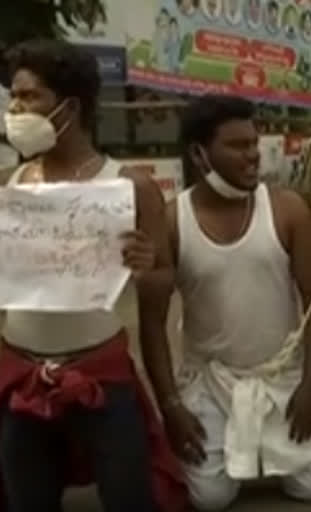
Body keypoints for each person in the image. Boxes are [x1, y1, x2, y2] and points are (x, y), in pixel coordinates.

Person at [0, 39, 186, 511]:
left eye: (29, 97)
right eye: (13, 97)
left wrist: (147, 268)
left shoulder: (131, 188)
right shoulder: (9, 188)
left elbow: (161, 290)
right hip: (22, 376)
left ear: (71, 106)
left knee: (129, 497)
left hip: (102, 373)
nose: (15, 109)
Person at [169, 95, 311, 511]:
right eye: (237, 146)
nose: (253, 156)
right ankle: (246, 451)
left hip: (281, 376)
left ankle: (280, 450)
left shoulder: (287, 209)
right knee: (209, 498)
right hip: (209, 382)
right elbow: (151, 318)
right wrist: (171, 406)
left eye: (254, 142)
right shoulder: (172, 218)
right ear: (199, 153)